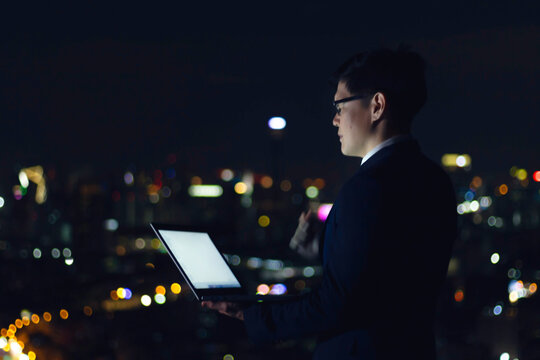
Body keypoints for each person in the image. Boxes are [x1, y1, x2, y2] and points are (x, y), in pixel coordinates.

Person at [203, 46, 457, 360]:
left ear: (377, 105)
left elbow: (336, 304)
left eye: (340, 105)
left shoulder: (366, 188)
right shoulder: (435, 180)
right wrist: (325, 247)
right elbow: (387, 275)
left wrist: (252, 314)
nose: (334, 120)